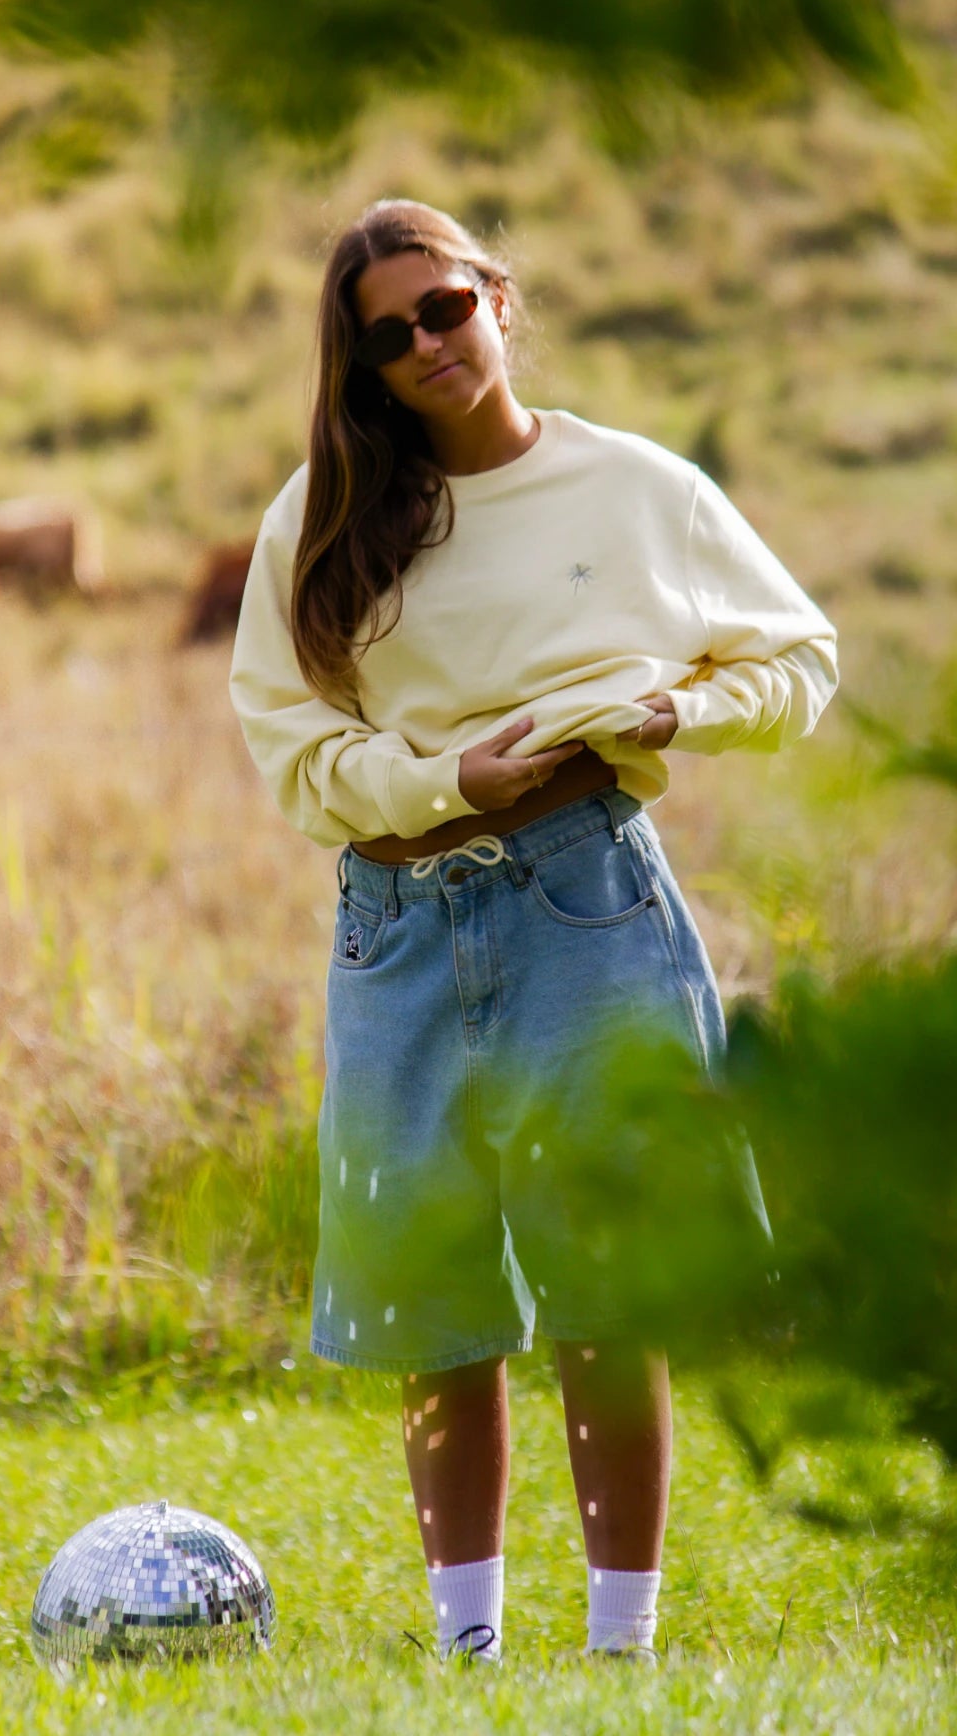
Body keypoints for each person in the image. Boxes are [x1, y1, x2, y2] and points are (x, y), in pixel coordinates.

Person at [229, 200, 838, 1665]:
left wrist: (680, 710)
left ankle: (620, 1650)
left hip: (588, 896)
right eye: (389, 333)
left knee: (605, 1286)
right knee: (433, 1300)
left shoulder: (637, 489)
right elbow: (292, 752)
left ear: (497, 296)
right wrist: (447, 779)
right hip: (396, 922)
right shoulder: (320, 519)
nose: (428, 343)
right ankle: (469, 1653)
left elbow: (801, 656)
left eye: (444, 306)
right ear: (363, 363)